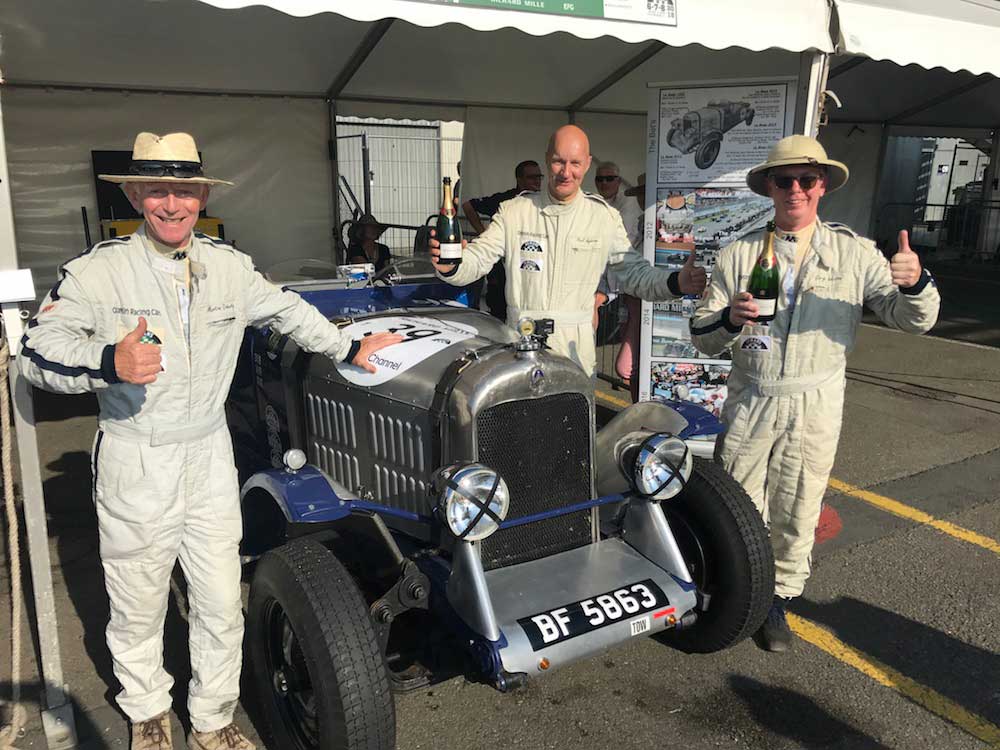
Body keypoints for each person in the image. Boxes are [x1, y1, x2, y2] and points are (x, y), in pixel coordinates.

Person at [18, 132, 403, 750]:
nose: (172, 205)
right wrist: (107, 361)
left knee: (221, 597)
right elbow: (36, 353)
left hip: (209, 451)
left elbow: (286, 310)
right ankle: (146, 711)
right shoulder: (98, 271)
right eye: (158, 191)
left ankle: (213, 719)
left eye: (185, 191)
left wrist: (349, 346)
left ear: (202, 195)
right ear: (138, 195)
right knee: (138, 596)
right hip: (136, 452)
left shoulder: (228, 265)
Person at [689, 135, 940, 652]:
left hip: (815, 399)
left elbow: (910, 319)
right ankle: (735, 592)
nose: (796, 190)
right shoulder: (739, 255)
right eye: (785, 180)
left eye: (807, 179)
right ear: (770, 189)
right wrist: (729, 320)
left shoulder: (855, 253)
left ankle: (776, 601)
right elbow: (701, 332)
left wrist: (915, 284)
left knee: (797, 502)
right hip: (752, 396)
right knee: (738, 500)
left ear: (823, 185)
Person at [431, 125, 706, 376]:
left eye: (575, 163)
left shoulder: (603, 218)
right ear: (547, 159)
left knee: (571, 429)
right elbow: (478, 258)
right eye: (559, 161)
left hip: (575, 353)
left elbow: (635, 274)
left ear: (587, 164)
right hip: (519, 349)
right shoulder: (515, 211)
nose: (566, 172)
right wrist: (452, 267)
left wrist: (675, 282)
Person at [461, 160, 545, 318]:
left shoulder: (545, 202)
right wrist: (482, 232)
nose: (537, 181)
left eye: (539, 177)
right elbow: (467, 205)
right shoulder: (506, 201)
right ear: (519, 180)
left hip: (530, 265)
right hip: (501, 269)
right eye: (531, 177)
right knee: (499, 310)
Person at [594, 161, 642, 249]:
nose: (604, 183)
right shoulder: (592, 201)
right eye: (600, 179)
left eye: (609, 179)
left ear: (619, 181)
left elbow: (623, 233)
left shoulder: (628, 199)